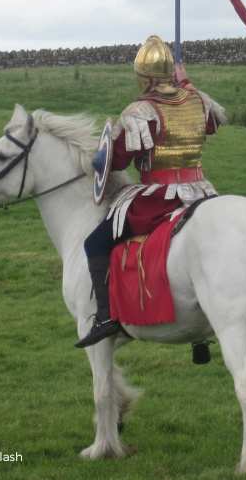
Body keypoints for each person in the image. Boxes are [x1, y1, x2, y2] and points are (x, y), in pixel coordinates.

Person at [75, 35, 226, 348]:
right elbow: (211, 125)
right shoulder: (197, 100)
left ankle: (104, 317)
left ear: (144, 78)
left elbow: (117, 159)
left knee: (97, 242)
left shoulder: (142, 111)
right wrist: (188, 86)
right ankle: (201, 335)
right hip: (202, 194)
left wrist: (100, 155)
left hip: (159, 197)